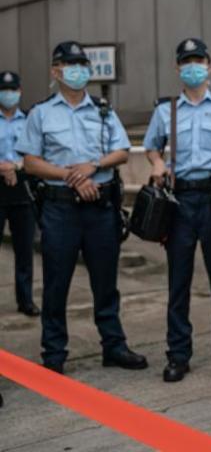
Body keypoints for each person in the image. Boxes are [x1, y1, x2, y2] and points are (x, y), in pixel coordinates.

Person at [15, 41, 148, 374]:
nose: (77, 70)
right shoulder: (41, 113)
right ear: (55, 71)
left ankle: (113, 346)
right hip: (60, 210)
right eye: (69, 64)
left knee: (105, 282)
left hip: (100, 208)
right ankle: (54, 353)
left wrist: (93, 165)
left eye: (82, 64)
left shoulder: (103, 110)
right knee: (56, 283)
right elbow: (30, 162)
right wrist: (72, 176)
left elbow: (121, 151)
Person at [143, 38, 211, 383]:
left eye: (198, 60)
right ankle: (178, 355)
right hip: (180, 203)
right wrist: (158, 164)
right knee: (178, 282)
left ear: (209, 65)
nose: (193, 66)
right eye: (186, 61)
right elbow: (151, 148)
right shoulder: (165, 110)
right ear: (177, 68)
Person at [0, 71, 38, 317]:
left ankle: (25, 300)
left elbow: (36, 154)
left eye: (13, 89)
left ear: (20, 91)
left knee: (25, 249)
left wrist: (14, 167)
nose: (9, 94)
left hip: (23, 188)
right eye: (5, 89)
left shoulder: (29, 120)